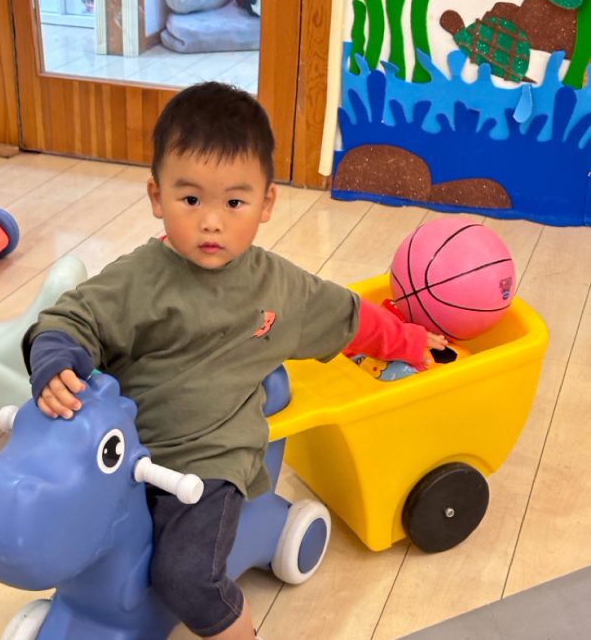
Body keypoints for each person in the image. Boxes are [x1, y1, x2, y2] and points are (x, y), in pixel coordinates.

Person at [23, 81, 446, 640]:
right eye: (190, 200)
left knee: (185, 576)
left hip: (208, 463)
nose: (211, 222)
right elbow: (71, 318)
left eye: (234, 202)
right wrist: (56, 361)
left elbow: (348, 318)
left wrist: (412, 343)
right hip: (126, 453)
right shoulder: (137, 279)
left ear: (266, 203)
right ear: (156, 195)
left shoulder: (279, 288)